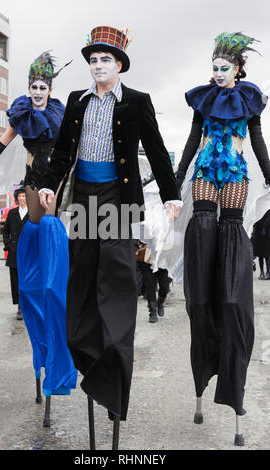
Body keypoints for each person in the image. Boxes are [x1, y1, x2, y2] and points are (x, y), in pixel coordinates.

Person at [39, 25, 181, 449]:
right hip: (85, 198)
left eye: (105, 60)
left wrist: (172, 196)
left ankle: (115, 374)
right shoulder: (78, 102)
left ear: (119, 64)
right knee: (82, 279)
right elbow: (64, 149)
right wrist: (49, 183)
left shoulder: (137, 102)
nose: (97, 66)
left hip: (119, 199)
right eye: (92, 60)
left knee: (117, 280)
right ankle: (90, 360)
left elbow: (156, 150)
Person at [0, 51, 77, 426]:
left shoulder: (62, 116)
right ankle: (40, 356)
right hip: (34, 191)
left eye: (42, 87)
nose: (36, 92)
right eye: (32, 86)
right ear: (28, 88)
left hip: (59, 191)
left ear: (50, 89)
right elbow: (0, 146)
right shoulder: (22, 115)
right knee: (36, 287)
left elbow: (75, 151)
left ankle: (59, 355)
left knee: (52, 288)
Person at [175, 32, 270, 446]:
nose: (216, 75)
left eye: (223, 69)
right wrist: (173, 182)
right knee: (203, 227)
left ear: (238, 70)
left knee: (230, 233)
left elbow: (259, 142)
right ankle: (202, 283)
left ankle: (228, 286)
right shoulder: (203, 100)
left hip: (233, 173)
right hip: (204, 173)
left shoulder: (249, 99)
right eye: (213, 68)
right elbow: (192, 143)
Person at [3, 187, 29, 320]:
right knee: (16, 280)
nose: (21, 199)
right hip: (14, 252)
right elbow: (5, 230)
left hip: (29, 253)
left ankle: (28, 306)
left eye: (24, 196)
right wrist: (8, 245)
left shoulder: (33, 214)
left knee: (28, 280)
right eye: (19, 196)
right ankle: (20, 307)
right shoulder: (12, 213)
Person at [251, 209, 270, 279]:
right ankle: (262, 272)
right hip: (259, 236)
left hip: (267, 236)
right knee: (261, 256)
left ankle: (268, 273)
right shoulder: (258, 210)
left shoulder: (268, 210)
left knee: (267, 256)